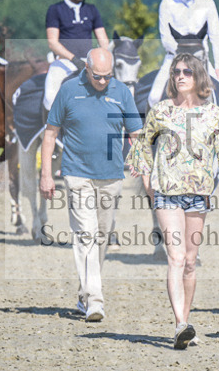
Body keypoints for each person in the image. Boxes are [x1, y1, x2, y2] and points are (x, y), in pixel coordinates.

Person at [128, 53, 219, 349]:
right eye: (176, 71)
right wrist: (147, 182)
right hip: (167, 194)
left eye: (187, 72)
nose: (180, 76)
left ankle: (185, 325)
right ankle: (180, 322)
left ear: (199, 78)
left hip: (199, 195)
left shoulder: (213, 113)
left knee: (190, 263)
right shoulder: (161, 110)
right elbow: (142, 146)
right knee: (176, 258)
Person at [39, 48, 142, 322]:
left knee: (102, 238)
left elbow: (135, 131)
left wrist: (138, 156)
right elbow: (50, 134)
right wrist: (46, 174)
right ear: (86, 68)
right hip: (77, 174)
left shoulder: (121, 91)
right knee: (85, 235)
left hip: (111, 176)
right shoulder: (68, 90)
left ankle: (84, 294)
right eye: (98, 77)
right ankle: (96, 301)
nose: (103, 82)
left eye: (108, 77)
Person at [42, 0, 111, 112]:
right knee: (49, 98)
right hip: (63, 62)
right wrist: (74, 59)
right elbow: (52, 42)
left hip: (88, 62)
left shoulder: (92, 10)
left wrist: (103, 58)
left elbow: (103, 40)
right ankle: (53, 133)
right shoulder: (55, 10)